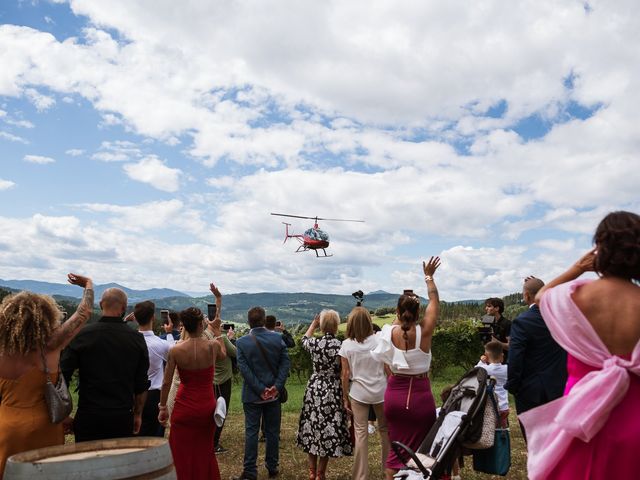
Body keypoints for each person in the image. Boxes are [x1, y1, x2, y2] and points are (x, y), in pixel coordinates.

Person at [520, 211, 640, 479]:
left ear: (599, 249)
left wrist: (577, 268)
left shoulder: (576, 295)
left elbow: (540, 295)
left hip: (580, 418)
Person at [0, 274, 93, 478]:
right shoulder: (51, 347)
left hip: (6, 425)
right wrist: (88, 284)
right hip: (45, 426)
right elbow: (83, 312)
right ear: (46, 318)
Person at [372, 256, 441, 480]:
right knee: (423, 452)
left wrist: (401, 311)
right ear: (418, 312)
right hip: (421, 397)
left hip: (394, 397)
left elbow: (398, 325)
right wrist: (429, 277)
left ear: (397, 312)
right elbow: (434, 299)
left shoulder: (389, 332)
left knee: (396, 453)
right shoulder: (425, 331)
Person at [61, 286, 150, 442]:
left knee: (88, 463)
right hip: (122, 416)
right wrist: (137, 414)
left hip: (89, 414)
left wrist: (62, 414)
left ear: (101, 304)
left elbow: (63, 375)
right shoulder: (136, 339)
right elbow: (141, 384)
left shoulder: (83, 335)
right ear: (123, 308)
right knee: (119, 463)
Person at [158, 299, 226, 480]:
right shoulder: (211, 346)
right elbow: (224, 354)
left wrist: (163, 407)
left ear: (184, 326)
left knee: (180, 451)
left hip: (184, 406)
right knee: (204, 450)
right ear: (200, 324)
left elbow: (166, 382)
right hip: (206, 405)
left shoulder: (176, 350)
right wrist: (217, 330)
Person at [233, 306, 291, 480]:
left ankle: (250, 470)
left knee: (251, 432)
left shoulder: (241, 342)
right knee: (272, 431)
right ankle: (272, 466)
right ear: (264, 320)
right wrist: (276, 387)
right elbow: (285, 364)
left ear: (248, 321)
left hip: (252, 395)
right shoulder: (278, 338)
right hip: (273, 394)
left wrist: (260, 389)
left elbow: (244, 370)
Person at [506, 276, 567, 438]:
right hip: (561, 387)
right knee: (558, 439)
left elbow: (515, 358)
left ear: (526, 296)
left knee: (535, 440)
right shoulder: (560, 318)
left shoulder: (522, 321)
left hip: (531, 392)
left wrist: (513, 386)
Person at [296, 310, 352, 480]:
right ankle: (321, 473)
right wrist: (345, 397)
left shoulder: (314, 343)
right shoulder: (341, 345)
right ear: (336, 325)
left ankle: (312, 472)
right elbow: (345, 373)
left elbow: (303, 339)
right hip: (332, 389)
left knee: (312, 427)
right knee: (328, 429)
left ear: (321, 325)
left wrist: (313, 324)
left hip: (315, 387)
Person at [339, 306, 389, 480]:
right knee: (385, 431)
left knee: (360, 433)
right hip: (381, 391)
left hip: (358, 393)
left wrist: (344, 397)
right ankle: (388, 470)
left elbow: (345, 375)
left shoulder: (346, 345)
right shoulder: (379, 341)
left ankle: (361, 475)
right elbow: (387, 368)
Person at [202, 285, 236, 454]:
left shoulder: (202, 337)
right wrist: (226, 338)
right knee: (221, 411)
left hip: (210, 379)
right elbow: (229, 354)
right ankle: (214, 443)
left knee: (209, 410)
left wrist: (218, 299)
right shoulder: (218, 338)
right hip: (223, 379)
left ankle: (208, 440)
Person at [133, 300, 175, 437]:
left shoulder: (129, 341)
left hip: (132, 394)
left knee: (134, 432)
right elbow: (174, 351)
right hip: (153, 396)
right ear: (153, 318)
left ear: (135, 318)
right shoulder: (160, 344)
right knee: (154, 435)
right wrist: (169, 333)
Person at [476, 340, 509, 427]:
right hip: (504, 406)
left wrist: (482, 361)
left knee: (490, 427)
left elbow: (475, 370)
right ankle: (503, 437)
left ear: (486, 356)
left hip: (490, 405)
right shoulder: (507, 369)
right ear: (502, 356)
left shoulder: (485, 369)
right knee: (502, 426)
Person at [484, 297, 511, 362]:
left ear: (497, 308)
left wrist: (496, 342)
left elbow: (511, 347)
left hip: (503, 362)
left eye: (489, 306)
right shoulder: (486, 321)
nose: (486, 308)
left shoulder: (507, 324)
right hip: (489, 361)